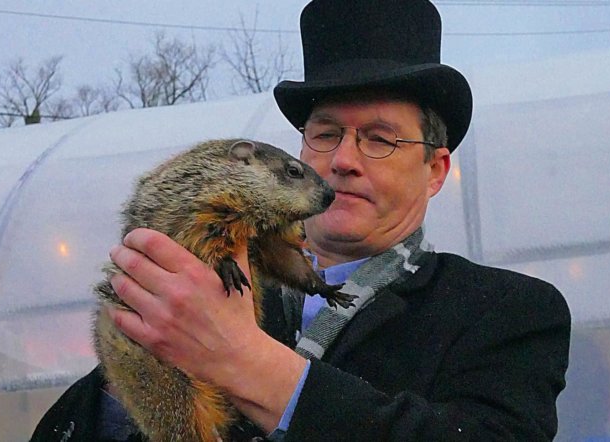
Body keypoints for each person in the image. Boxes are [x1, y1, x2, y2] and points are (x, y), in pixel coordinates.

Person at [31, 0, 571, 440]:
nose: (342, 160)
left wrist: (245, 360)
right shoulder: (208, 287)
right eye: (326, 133)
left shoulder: (506, 311)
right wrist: (136, 351)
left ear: (435, 169)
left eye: (378, 138)